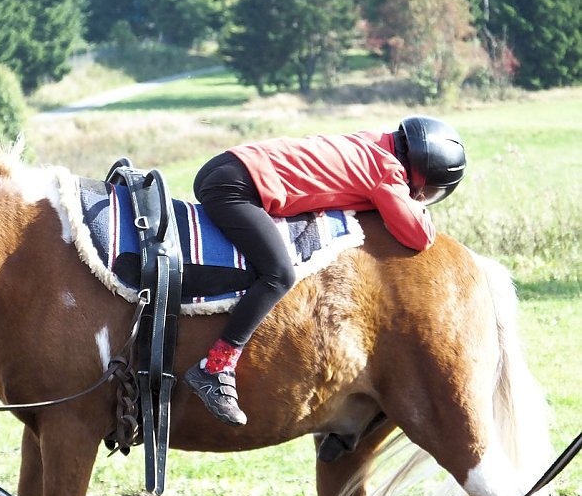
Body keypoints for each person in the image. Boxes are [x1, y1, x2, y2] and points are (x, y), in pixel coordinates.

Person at [184, 115, 467, 426]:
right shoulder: (386, 171)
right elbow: (420, 235)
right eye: (426, 191)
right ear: (421, 172)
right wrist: (417, 205)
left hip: (227, 166)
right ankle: (215, 367)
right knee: (279, 274)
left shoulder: (371, 142)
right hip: (236, 185)